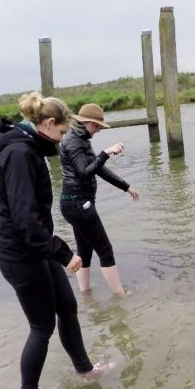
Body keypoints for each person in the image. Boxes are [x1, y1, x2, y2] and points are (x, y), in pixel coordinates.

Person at [0, 92, 113, 389]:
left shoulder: (28, 148)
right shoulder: (20, 153)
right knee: (42, 326)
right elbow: (24, 219)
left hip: (36, 248)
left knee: (68, 306)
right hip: (21, 254)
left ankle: (85, 370)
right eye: (61, 133)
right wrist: (63, 252)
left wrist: (53, 250)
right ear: (48, 124)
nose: (61, 141)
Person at [59, 103, 139, 295]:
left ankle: (85, 295)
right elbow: (85, 172)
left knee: (84, 251)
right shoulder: (74, 142)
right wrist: (105, 153)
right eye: (96, 126)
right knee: (105, 250)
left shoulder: (81, 138)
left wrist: (125, 186)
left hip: (75, 203)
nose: (98, 131)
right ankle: (121, 296)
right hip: (78, 203)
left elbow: (98, 169)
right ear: (85, 122)